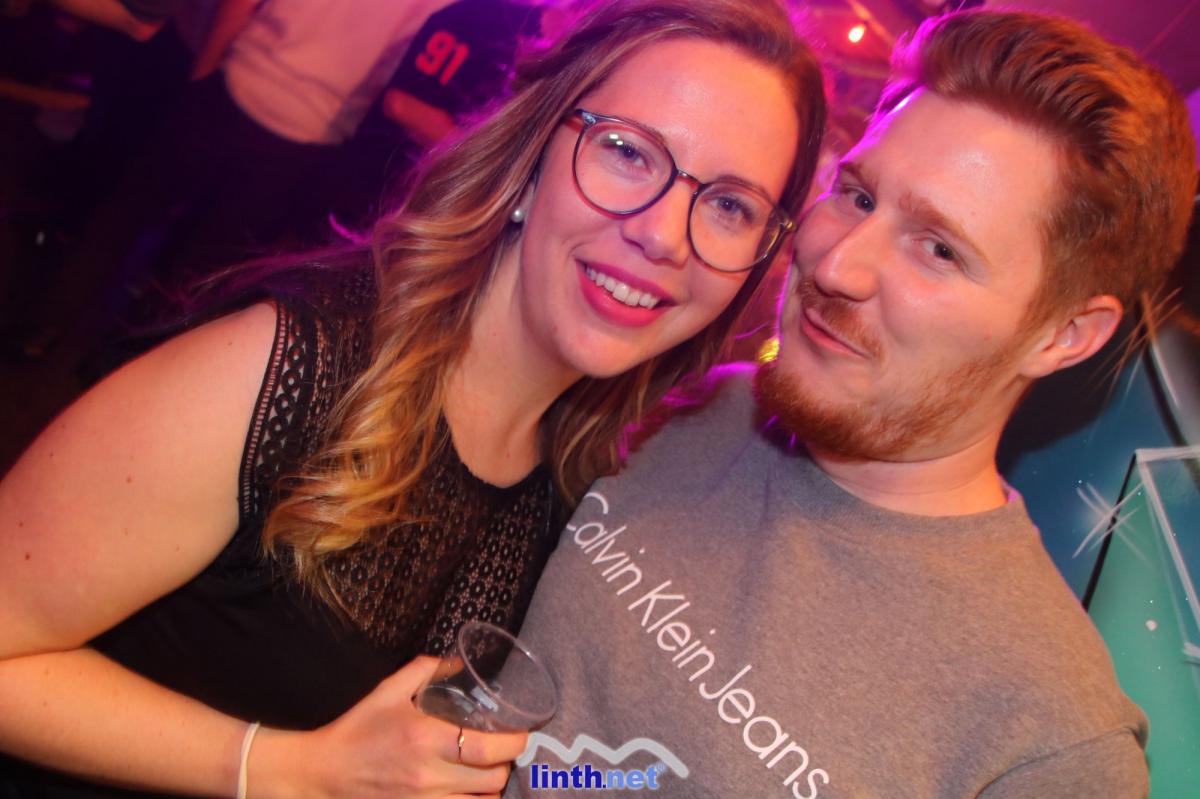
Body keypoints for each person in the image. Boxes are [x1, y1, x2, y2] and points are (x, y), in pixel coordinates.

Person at [0, 0, 827, 796]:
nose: (662, 234)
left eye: (729, 205)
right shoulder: (284, 370)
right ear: (533, 156)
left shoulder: (574, 485)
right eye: (628, 151)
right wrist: (285, 770)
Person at [504, 9, 1196, 798]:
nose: (837, 265)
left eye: (939, 249)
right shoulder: (691, 401)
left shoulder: (1054, 743)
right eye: (859, 196)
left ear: (1064, 335)